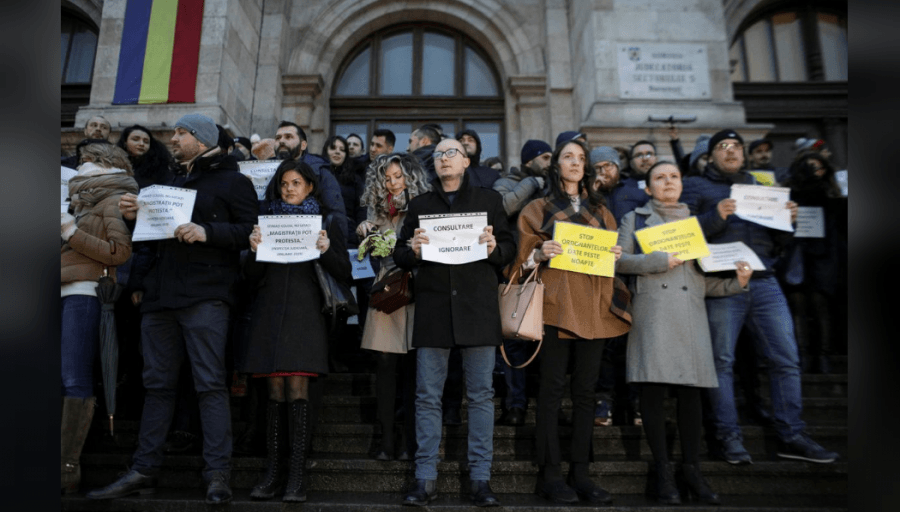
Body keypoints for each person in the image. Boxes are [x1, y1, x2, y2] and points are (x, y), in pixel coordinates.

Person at [87, 113, 258, 504]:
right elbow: (148, 243)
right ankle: (143, 469)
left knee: (210, 385)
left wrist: (208, 231)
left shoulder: (235, 181)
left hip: (206, 297)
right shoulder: (167, 182)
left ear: (201, 138)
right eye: (175, 132)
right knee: (157, 387)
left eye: (181, 132)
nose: (174, 137)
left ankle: (218, 473)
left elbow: (252, 234)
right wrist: (134, 219)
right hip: (161, 298)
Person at [680, 128, 839, 465]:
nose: (730, 151)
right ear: (711, 155)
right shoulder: (696, 186)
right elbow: (683, 235)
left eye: (735, 146)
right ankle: (728, 438)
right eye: (722, 147)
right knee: (722, 362)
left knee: (785, 359)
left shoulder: (762, 186)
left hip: (765, 281)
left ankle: (791, 434)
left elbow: (779, 241)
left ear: (743, 152)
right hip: (722, 283)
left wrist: (789, 221)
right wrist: (714, 216)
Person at [617, 161, 752, 505]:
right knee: (653, 392)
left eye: (674, 176)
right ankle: (664, 472)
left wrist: (735, 284)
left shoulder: (696, 224)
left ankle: (692, 469)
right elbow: (616, 262)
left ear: (681, 184)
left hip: (690, 317)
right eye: (659, 177)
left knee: (691, 396)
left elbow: (699, 281)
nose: (668, 182)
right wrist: (658, 261)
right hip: (653, 314)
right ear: (648, 189)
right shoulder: (635, 219)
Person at [395, 138, 515, 507]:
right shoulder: (420, 205)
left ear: (465, 161)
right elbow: (400, 254)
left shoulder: (489, 202)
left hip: (478, 311)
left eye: (451, 153)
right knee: (427, 397)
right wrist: (412, 251)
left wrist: (496, 249)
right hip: (433, 311)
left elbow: (510, 250)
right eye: (438, 155)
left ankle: (481, 479)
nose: (443, 159)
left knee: (480, 397)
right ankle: (424, 478)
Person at [511, 139, 631, 504]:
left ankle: (581, 474)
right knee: (549, 393)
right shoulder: (536, 208)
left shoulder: (602, 210)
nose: (576, 163)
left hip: (593, 309)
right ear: (555, 165)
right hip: (554, 308)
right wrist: (537, 252)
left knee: (585, 395)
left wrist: (615, 254)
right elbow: (518, 263)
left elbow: (609, 263)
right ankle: (549, 476)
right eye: (568, 157)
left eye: (581, 158)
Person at [241, 159, 351, 502]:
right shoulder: (265, 222)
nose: (289, 188)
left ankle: (297, 477)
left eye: (296, 183)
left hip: (305, 317)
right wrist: (254, 252)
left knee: (299, 393)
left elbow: (345, 273)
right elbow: (248, 279)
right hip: (270, 314)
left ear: (310, 188)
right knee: (274, 394)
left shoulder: (325, 222)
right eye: (285, 183)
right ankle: (273, 472)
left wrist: (326, 250)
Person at [61, 143, 139, 494]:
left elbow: (118, 253)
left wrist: (69, 232)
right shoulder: (79, 201)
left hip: (85, 293)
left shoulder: (113, 199)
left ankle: (66, 467)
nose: (80, 165)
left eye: (86, 160)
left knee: (74, 377)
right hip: (61, 291)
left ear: (106, 164)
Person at [357, 153, 431, 461]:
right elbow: (368, 251)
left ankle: (409, 442)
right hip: (388, 289)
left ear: (410, 178)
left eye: (398, 177)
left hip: (420, 289)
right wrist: (365, 231)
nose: (393, 183)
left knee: (415, 371)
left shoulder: (426, 207)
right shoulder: (376, 209)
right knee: (385, 367)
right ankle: (386, 439)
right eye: (387, 178)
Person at [490, 139, 552, 427]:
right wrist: (532, 183)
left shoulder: (556, 186)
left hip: (550, 272)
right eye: (546, 157)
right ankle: (515, 405)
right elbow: (501, 208)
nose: (551, 162)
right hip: (517, 271)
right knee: (514, 341)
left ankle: (549, 407)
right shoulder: (508, 182)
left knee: (549, 344)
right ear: (530, 160)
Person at [783, 152, 845, 374]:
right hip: (796, 258)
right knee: (798, 307)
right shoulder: (790, 193)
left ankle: (824, 356)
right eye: (810, 168)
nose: (814, 172)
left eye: (819, 168)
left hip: (823, 260)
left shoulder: (832, 196)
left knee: (821, 308)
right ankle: (803, 354)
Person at [115, 124, 175, 189]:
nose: (141, 144)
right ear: (125, 142)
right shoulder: (112, 165)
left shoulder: (159, 168)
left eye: (146, 142)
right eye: (135, 139)